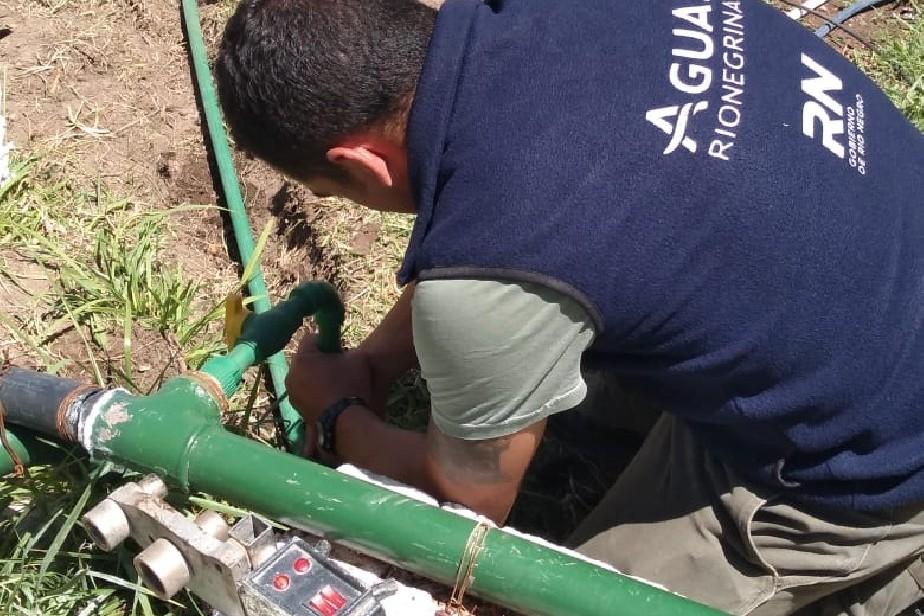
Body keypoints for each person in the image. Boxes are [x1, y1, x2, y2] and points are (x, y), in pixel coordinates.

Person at [214, 0, 924, 613]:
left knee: (540, 599)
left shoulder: (503, 252)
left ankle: (885, 568)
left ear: (363, 163)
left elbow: (470, 502)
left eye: (335, 192)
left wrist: (339, 415)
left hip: (866, 455)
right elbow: (495, 252)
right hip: (869, 263)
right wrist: (374, 361)